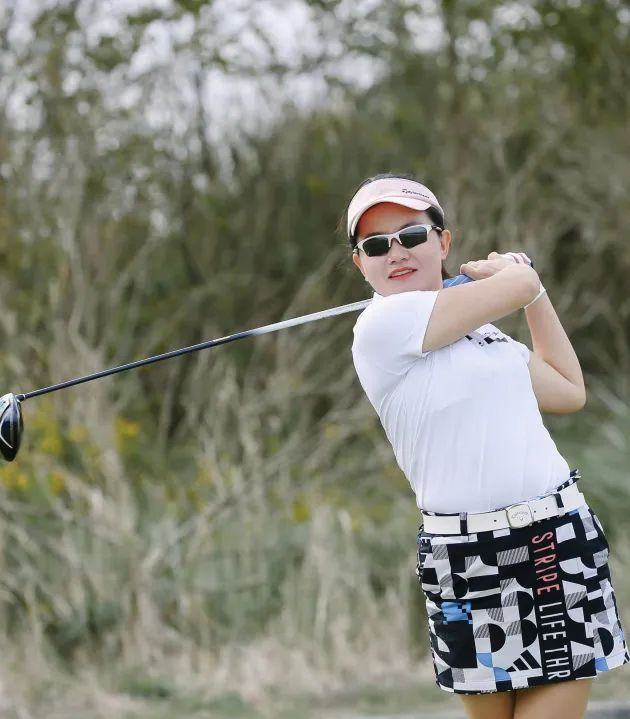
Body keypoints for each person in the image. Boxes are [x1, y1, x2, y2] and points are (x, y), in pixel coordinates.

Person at [344, 173, 629, 719]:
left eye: (411, 235)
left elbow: (567, 389)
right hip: (465, 557)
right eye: (376, 246)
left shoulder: (485, 334)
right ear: (361, 264)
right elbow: (512, 287)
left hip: (554, 539)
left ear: (443, 242)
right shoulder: (381, 326)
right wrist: (517, 276)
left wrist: (535, 294)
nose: (395, 252)